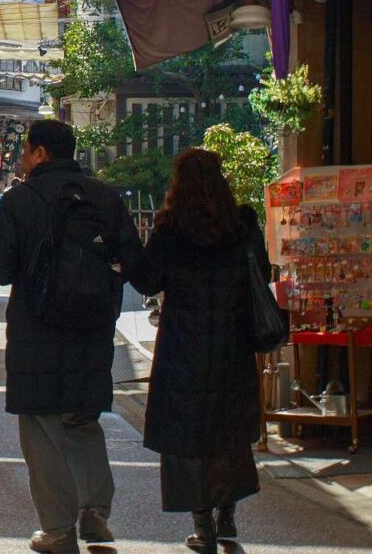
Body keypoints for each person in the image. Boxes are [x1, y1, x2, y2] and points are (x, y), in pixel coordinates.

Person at [0, 120, 143, 554]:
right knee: (82, 419)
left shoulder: (21, 200)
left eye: (26, 150)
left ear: (42, 154)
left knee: (43, 426)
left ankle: (57, 530)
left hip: (37, 329)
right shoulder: (105, 197)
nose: (21, 158)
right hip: (91, 328)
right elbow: (135, 262)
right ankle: (95, 510)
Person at [128, 149, 263, 554]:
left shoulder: (171, 228)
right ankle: (228, 515)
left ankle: (202, 525)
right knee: (229, 429)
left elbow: (148, 281)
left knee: (188, 433)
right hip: (232, 342)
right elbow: (263, 273)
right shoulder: (242, 224)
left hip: (183, 344)